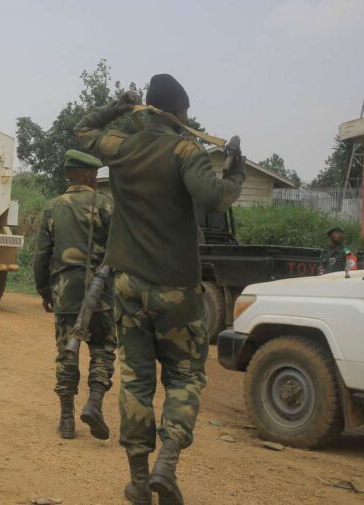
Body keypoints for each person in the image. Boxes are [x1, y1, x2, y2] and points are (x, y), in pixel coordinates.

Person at [75, 74, 245, 505]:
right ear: (181, 114)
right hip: (176, 288)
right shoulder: (185, 149)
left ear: (147, 110)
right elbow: (216, 198)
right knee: (185, 377)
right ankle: (166, 464)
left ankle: (137, 480)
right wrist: (236, 168)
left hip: (128, 285)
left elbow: (82, 131)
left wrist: (117, 106)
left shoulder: (124, 148)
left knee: (136, 381)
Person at [34, 149, 116, 441]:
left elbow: (42, 255)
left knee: (67, 354)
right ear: (90, 175)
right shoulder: (106, 205)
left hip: (65, 293)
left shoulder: (52, 207)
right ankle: (94, 403)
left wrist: (44, 290)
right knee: (103, 350)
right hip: (101, 294)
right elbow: (120, 251)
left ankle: (67, 418)